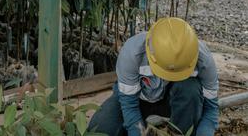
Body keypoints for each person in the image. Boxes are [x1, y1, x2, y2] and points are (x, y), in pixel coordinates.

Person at [88, 17, 219, 136]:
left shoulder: (204, 59)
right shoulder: (132, 53)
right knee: (100, 129)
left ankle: (179, 132)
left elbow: (211, 109)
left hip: (173, 98)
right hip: (137, 99)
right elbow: (129, 105)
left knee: (190, 88)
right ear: (151, 55)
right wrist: (138, 132)